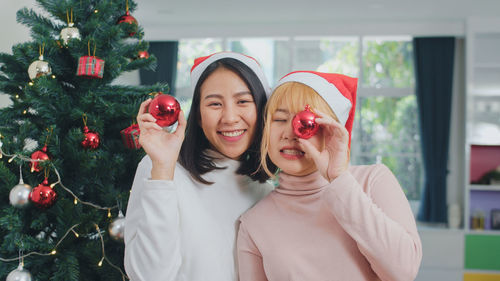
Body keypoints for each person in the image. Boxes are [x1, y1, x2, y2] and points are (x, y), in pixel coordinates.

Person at [237, 71, 422, 281]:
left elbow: (403, 271)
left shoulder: (373, 181)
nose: (290, 133)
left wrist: (339, 180)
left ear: (333, 130)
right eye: (279, 119)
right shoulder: (254, 223)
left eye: (308, 124)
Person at [124, 52, 275, 281]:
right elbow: (149, 275)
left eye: (243, 101)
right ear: (198, 115)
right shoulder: (161, 167)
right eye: (215, 104)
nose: (230, 118)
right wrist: (163, 170)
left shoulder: (266, 188)